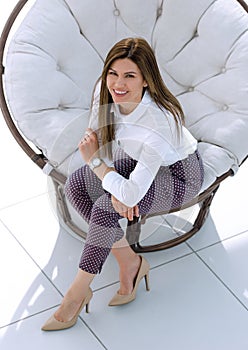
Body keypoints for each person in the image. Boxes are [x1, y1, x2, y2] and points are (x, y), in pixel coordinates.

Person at [41, 37, 204, 331]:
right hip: (136, 159)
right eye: (113, 74)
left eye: (130, 76)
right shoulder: (107, 90)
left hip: (179, 173)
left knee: (105, 207)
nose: (118, 83)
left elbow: (127, 190)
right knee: (77, 185)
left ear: (145, 81)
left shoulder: (158, 122)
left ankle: (76, 294)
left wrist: (106, 175)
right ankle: (129, 261)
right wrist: (109, 174)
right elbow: (100, 139)